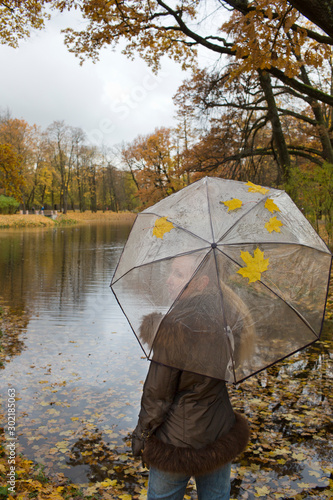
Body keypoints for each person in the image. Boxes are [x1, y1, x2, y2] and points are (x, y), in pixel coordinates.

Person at [132, 253, 251, 500]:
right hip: (219, 432)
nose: (169, 280)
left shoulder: (175, 327)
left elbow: (157, 395)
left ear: (202, 282)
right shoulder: (230, 318)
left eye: (179, 274)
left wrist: (141, 436)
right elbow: (232, 367)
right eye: (171, 272)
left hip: (175, 443)